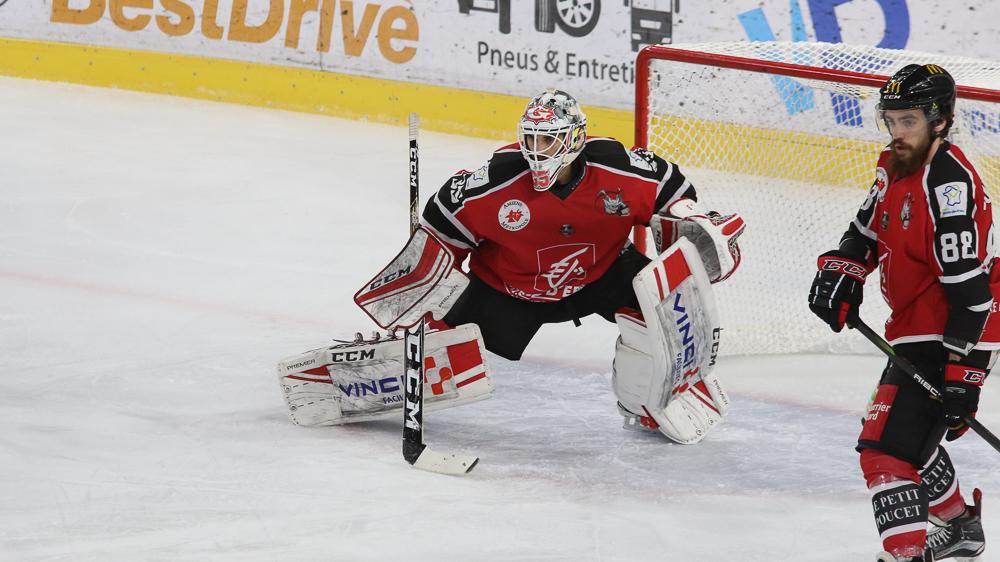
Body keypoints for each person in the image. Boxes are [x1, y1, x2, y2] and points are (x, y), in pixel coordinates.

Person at [417, 88, 745, 442]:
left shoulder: (622, 170)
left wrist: (693, 221)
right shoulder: (491, 185)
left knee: (664, 306)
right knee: (443, 350)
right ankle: (400, 375)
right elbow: (438, 237)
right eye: (531, 138)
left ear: (575, 138)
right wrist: (423, 300)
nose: (536, 150)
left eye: (548, 140)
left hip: (600, 273)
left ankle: (648, 400)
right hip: (509, 289)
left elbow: (674, 192)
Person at [808, 64, 992, 562]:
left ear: (940, 121)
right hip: (916, 322)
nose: (896, 132)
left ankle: (906, 554)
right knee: (908, 437)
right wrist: (846, 269)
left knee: (886, 450)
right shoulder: (894, 163)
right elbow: (866, 228)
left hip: (958, 327)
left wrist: (963, 377)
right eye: (890, 120)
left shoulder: (948, 187)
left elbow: (972, 295)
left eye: (908, 121)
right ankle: (961, 527)